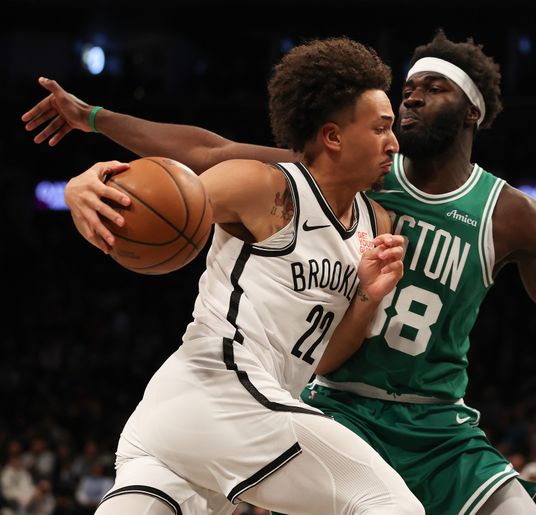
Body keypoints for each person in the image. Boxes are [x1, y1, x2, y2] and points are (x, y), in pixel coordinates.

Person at [22, 29, 536, 515]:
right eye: (396, 98)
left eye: (427, 91)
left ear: (471, 111)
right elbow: (206, 158)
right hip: (318, 403)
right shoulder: (331, 178)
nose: (408, 103)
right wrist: (99, 156)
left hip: (430, 420)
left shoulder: (501, 216)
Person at [45, 37, 424, 515]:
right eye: (381, 128)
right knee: (390, 505)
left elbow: (323, 361)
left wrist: (368, 295)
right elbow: (171, 193)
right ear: (332, 136)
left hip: (193, 420)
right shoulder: (267, 186)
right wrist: (88, 187)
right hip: (222, 388)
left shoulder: (374, 227)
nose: (395, 142)